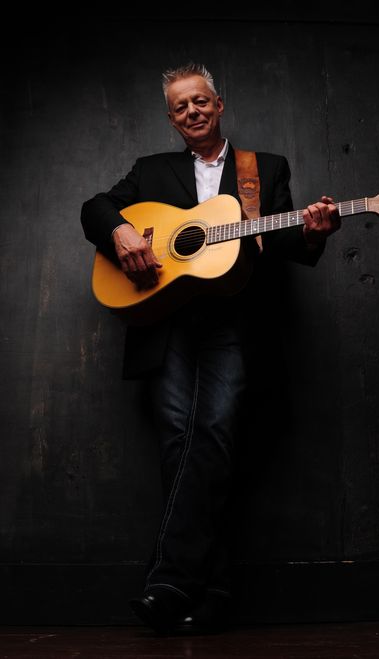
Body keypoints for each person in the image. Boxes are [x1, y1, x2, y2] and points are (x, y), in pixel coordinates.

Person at [81, 62, 341, 635]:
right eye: (180, 106)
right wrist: (120, 231)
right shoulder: (151, 171)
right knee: (182, 443)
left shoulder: (261, 170)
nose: (192, 111)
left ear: (218, 105)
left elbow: (282, 241)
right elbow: (95, 207)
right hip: (166, 322)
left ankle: (169, 582)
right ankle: (210, 589)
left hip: (233, 323)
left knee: (213, 432)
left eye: (201, 101)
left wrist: (313, 233)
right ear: (171, 118)